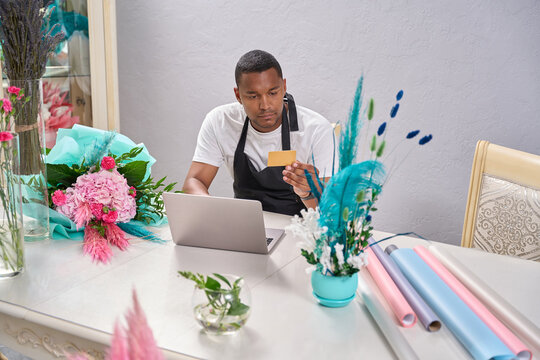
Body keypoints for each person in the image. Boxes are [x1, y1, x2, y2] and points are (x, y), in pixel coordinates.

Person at [182, 50, 335, 216]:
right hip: (244, 226)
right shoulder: (220, 121)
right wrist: (216, 213)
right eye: (253, 96)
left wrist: (307, 192)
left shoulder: (316, 129)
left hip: (301, 230)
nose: (265, 105)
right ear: (238, 95)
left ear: (284, 87)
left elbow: (331, 211)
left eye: (273, 93)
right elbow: (194, 181)